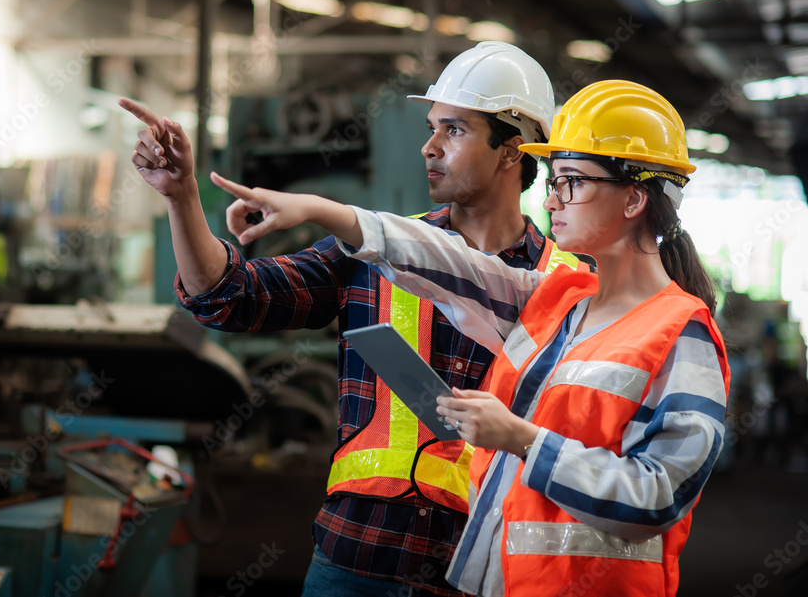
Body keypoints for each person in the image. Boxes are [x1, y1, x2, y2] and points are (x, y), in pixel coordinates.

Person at [207, 79, 730, 597]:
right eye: (553, 182)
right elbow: (449, 261)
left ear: (635, 198)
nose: (552, 202)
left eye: (571, 181)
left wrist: (519, 437)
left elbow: (660, 495)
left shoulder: (682, 333)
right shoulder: (559, 300)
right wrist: (322, 211)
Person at [119, 42, 587, 596]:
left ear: (513, 151)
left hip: (485, 562)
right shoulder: (375, 248)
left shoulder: (569, 285)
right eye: (432, 127)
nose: (428, 147)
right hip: (359, 551)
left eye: (454, 131)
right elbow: (229, 296)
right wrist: (180, 196)